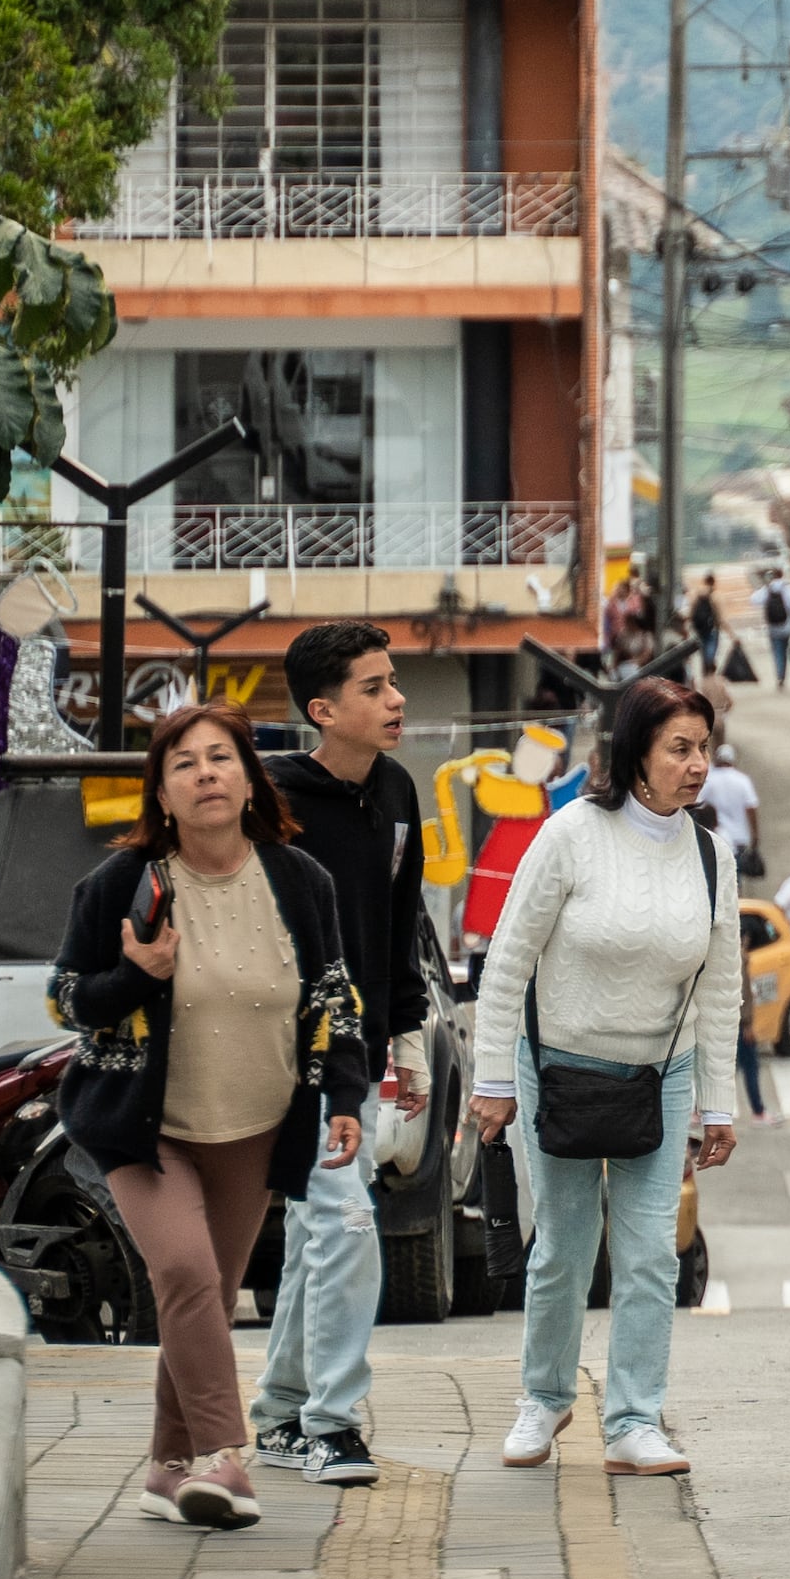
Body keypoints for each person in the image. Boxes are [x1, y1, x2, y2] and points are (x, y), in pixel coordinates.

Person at [49, 705, 370, 1531]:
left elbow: (334, 995)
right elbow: (65, 999)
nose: (205, 774)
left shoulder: (300, 881)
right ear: (161, 793)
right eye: (184, 763)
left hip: (257, 1125)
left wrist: (343, 1097)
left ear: (248, 777)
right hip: (141, 1127)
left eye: (220, 758)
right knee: (188, 1276)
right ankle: (228, 1456)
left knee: (203, 1294)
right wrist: (132, 975)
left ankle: (166, 1471)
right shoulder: (123, 884)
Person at [471, 676, 743, 1479]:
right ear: (637, 754)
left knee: (652, 1250)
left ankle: (632, 1418)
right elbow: (507, 960)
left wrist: (717, 1102)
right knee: (562, 1245)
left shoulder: (710, 853)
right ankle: (544, 1397)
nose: (697, 765)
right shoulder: (569, 834)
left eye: (705, 748)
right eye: (679, 748)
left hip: (660, 1069)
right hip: (555, 1064)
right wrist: (491, 1078)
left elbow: (721, 982)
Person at [249, 624, 430, 1491]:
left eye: (393, 682)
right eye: (374, 687)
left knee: (322, 1228)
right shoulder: (271, 804)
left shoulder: (396, 791)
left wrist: (409, 1034)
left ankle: (282, 1414)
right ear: (323, 711)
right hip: (275, 1052)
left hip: (352, 1057)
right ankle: (331, 1422)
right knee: (346, 1222)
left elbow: (400, 923)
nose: (396, 699)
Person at [700, 740, 764, 880]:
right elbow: (751, 808)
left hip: (716, 836)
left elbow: (698, 803)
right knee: (735, 879)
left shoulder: (710, 780)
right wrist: (755, 836)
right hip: (739, 837)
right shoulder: (742, 780)